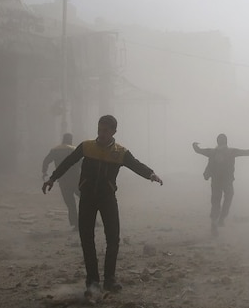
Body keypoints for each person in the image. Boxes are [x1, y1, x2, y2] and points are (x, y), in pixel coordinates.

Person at [42, 115, 163, 297]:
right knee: (87, 239)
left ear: (114, 132)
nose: (102, 134)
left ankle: (110, 280)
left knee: (113, 239)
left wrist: (151, 174)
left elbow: (135, 165)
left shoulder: (120, 152)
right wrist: (52, 178)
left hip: (107, 198)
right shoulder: (87, 147)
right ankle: (92, 282)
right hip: (87, 197)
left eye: (105, 131)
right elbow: (68, 162)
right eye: (99, 130)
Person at [192, 134, 249, 235]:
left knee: (215, 202)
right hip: (227, 181)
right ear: (226, 142)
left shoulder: (212, 152)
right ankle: (222, 218)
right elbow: (247, 152)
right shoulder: (231, 152)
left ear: (217, 141)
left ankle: (214, 223)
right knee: (228, 197)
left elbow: (199, 151)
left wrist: (194, 145)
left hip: (216, 182)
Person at [42, 133, 81, 229]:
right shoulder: (75, 150)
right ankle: (90, 220)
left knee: (70, 203)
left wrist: (44, 172)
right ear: (71, 140)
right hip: (76, 179)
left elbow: (46, 161)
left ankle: (76, 224)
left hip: (63, 180)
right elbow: (82, 164)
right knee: (85, 200)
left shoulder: (55, 150)